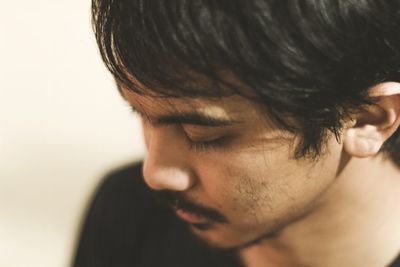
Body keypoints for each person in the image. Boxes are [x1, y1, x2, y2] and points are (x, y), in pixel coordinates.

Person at [73, 0, 400, 266]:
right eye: (141, 113)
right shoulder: (130, 213)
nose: (155, 173)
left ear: (365, 120)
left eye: (201, 133)